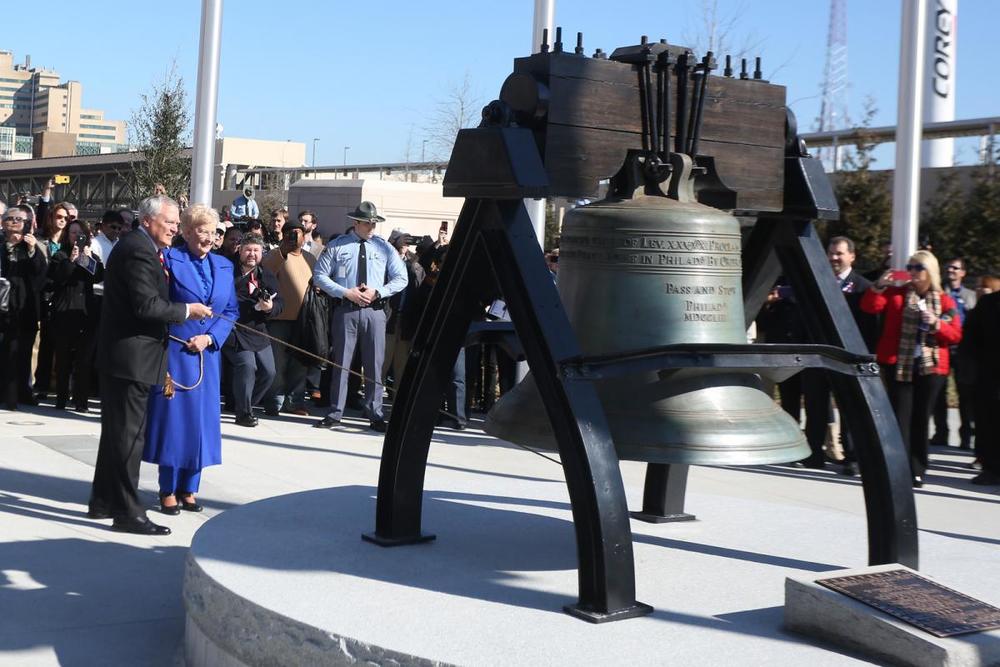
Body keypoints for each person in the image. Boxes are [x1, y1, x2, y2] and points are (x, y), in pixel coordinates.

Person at [88, 195, 213, 536]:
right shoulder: (138, 250)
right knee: (129, 438)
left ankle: (102, 501)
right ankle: (128, 512)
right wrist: (189, 310)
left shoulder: (140, 246)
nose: (175, 228)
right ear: (148, 221)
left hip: (127, 356)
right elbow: (147, 307)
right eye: (171, 222)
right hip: (131, 357)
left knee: (117, 435)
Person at [143, 204, 238, 515]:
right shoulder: (170, 259)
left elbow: (231, 311)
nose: (208, 238)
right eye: (201, 232)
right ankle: (167, 488)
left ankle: (190, 488)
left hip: (207, 355)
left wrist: (210, 337)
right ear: (185, 232)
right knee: (175, 421)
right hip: (176, 352)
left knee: (201, 423)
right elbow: (158, 303)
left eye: (212, 233)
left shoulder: (224, 265)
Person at [860, 250, 962, 488]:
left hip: (931, 368)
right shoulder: (897, 293)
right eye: (910, 267)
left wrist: (936, 323)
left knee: (921, 420)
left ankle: (918, 468)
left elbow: (956, 334)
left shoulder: (944, 300)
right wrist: (879, 285)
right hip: (899, 364)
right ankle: (899, 467)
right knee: (900, 418)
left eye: (918, 268)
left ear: (930, 272)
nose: (913, 272)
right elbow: (869, 307)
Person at [313, 201, 407, 432]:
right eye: (367, 222)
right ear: (356, 222)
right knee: (341, 363)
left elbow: (401, 278)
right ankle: (336, 412)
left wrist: (379, 291)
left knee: (375, 364)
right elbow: (319, 276)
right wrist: (346, 292)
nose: (372, 226)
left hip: (375, 312)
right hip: (346, 309)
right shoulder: (338, 246)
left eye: (374, 222)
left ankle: (374, 412)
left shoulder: (384, 248)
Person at [223, 233, 283, 427]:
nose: (252, 254)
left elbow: (280, 302)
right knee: (248, 366)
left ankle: (241, 402)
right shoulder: (227, 270)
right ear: (239, 250)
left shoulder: (266, 275)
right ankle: (243, 412)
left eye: (256, 250)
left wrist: (269, 308)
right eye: (248, 249)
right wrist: (251, 306)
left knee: (269, 372)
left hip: (257, 328)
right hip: (233, 327)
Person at [260, 217, 316, 416]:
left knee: (300, 363)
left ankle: (295, 401)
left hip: (304, 320)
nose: (294, 237)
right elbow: (265, 271)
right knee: (278, 363)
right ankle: (275, 400)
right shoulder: (275, 255)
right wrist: (283, 250)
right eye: (289, 233)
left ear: (304, 236)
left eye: (297, 233)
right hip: (278, 319)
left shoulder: (310, 258)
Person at [48, 219, 104, 411]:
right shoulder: (60, 255)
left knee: (84, 359)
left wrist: (89, 259)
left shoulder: (92, 255)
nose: (76, 237)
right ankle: (61, 398)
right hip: (65, 310)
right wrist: (71, 261)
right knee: (63, 359)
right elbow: (58, 277)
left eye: (80, 233)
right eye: (72, 233)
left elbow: (98, 276)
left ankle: (81, 400)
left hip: (86, 312)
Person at [0, 206, 47, 410]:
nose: (15, 222)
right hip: (2, 310)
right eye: (10, 218)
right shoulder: (1, 246)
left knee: (23, 353)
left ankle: (22, 392)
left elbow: (40, 276)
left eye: (20, 219)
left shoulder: (34, 246)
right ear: (3, 223)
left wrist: (31, 251)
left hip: (24, 310)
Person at [930, 257, 977, 449]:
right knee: (938, 393)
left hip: (963, 350)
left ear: (963, 273)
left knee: (964, 394)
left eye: (956, 268)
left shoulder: (970, 296)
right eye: (949, 267)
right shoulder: (939, 293)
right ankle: (941, 432)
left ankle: (967, 436)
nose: (951, 271)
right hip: (942, 347)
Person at [959, 287, 1000, 485]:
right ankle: (991, 468)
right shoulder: (988, 303)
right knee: (988, 424)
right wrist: (968, 369)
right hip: (989, 375)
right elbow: (970, 338)